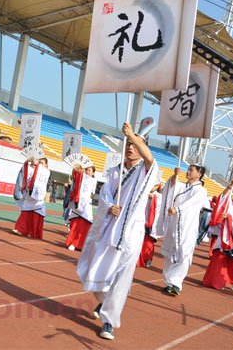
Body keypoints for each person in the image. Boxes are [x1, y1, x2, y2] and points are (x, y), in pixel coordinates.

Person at [77, 120, 158, 341]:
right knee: (98, 269)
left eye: (135, 144)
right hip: (109, 228)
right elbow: (105, 196)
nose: (130, 147)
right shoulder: (115, 171)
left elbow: (150, 158)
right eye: (127, 144)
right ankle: (104, 300)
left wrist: (132, 134)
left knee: (122, 277)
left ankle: (109, 322)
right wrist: (109, 205)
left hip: (132, 232)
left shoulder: (147, 170)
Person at [160, 165, 209, 296]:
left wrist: (178, 209)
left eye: (191, 170)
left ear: (199, 174)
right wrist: (175, 176)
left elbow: (191, 203)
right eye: (188, 169)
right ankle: (168, 282)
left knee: (184, 253)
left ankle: (176, 283)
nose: (188, 171)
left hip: (187, 226)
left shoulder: (201, 190)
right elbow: (170, 188)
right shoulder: (182, 186)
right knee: (170, 253)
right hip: (174, 223)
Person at [202, 179, 233, 292]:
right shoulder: (231, 205)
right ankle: (214, 281)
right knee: (218, 258)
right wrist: (231, 186)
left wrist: (229, 218)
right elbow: (223, 198)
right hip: (224, 237)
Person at [12, 146, 51, 239]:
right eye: (39, 162)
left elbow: (40, 172)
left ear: (46, 164)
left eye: (42, 163)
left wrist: (38, 165)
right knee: (25, 213)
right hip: (29, 195)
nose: (40, 164)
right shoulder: (33, 169)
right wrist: (28, 161)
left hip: (38, 197)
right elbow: (24, 170)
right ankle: (21, 229)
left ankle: (33, 232)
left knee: (35, 215)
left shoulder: (46, 171)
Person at [63, 164, 97, 251]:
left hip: (86, 205)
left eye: (90, 170)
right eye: (86, 170)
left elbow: (91, 193)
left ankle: (79, 244)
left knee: (84, 224)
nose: (87, 172)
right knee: (75, 223)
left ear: (93, 173)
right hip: (78, 202)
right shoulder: (81, 177)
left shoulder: (93, 181)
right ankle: (72, 242)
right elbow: (76, 175)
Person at [137, 183, 163, 268]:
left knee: (148, 243)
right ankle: (138, 259)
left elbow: (156, 201)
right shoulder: (146, 192)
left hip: (152, 223)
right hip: (142, 220)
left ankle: (148, 258)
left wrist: (149, 195)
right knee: (140, 241)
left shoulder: (159, 196)